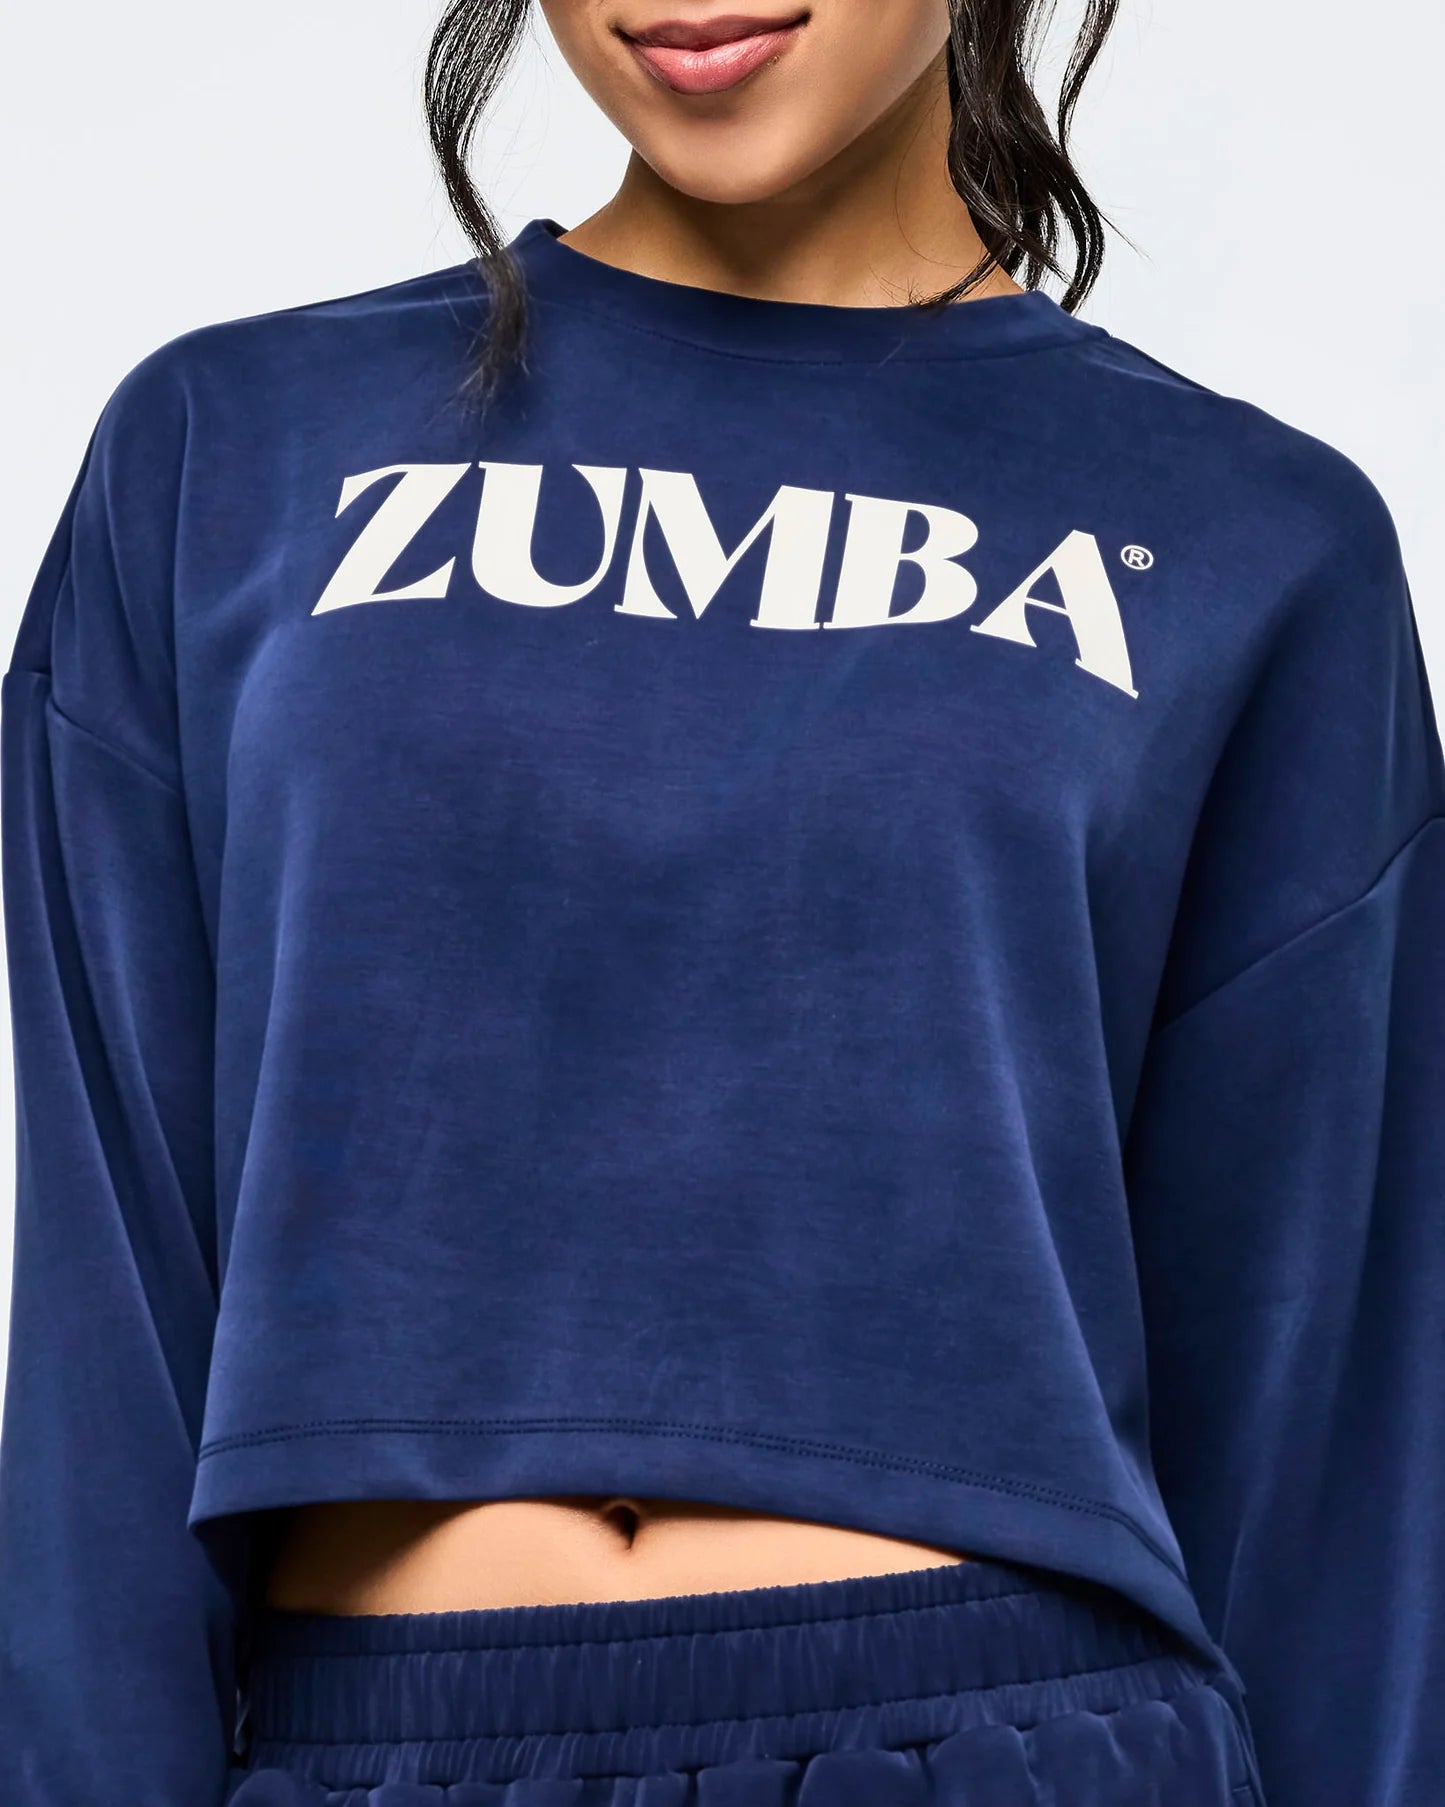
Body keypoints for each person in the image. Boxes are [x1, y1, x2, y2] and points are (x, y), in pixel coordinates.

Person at [0, 2, 1441, 1803]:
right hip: (380, 1741)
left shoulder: (1251, 533)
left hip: (1010, 1741)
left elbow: (1331, 1448)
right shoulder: (227, 448)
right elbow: (106, 1329)